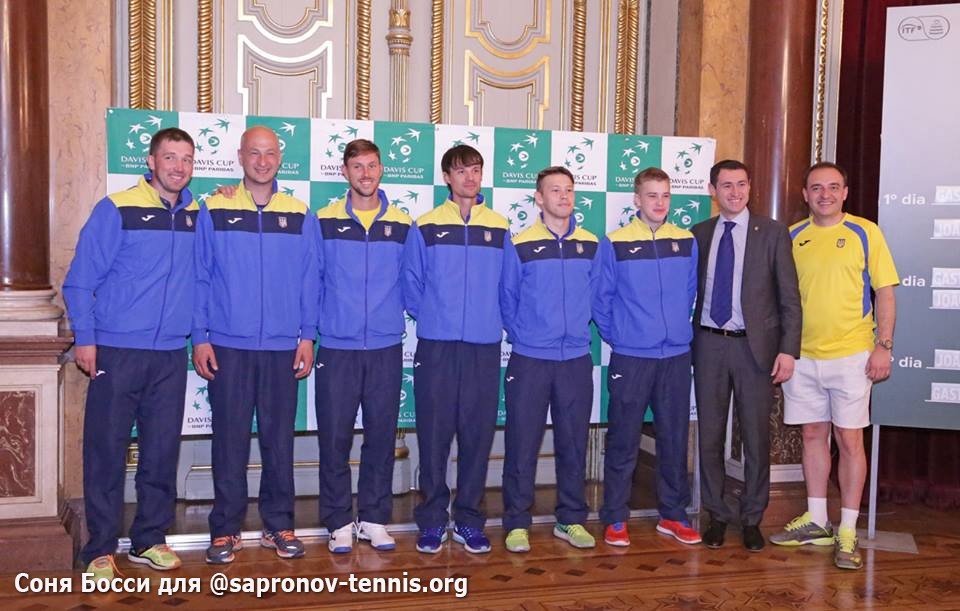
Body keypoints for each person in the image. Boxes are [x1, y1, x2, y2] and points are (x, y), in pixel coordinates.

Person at [64, 127, 199, 580]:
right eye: (170, 157)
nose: (178, 166)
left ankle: (149, 539)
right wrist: (86, 338)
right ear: (151, 161)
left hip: (170, 353)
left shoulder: (198, 215)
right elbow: (80, 281)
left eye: (186, 159)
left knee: (161, 451)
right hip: (117, 350)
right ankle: (100, 548)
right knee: (106, 450)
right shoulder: (116, 208)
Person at [192, 126, 319, 564]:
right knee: (229, 441)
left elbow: (310, 278)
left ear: (279, 158)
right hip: (228, 345)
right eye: (254, 153)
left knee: (278, 441)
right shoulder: (216, 207)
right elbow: (200, 276)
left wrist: (307, 336)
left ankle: (278, 525)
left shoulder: (299, 213)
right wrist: (200, 337)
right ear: (240, 157)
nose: (262, 161)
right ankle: (225, 529)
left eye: (269, 153)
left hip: (283, 347)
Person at [771, 161, 897, 570]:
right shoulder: (792, 236)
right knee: (812, 435)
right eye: (816, 188)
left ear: (845, 193)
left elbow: (885, 292)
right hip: (803, 356)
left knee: (849, 440)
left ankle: (847, 530)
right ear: (805, 194)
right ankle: (817, 520)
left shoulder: (865, 232)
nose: (824, 194)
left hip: (852, 355)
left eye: (832, 187)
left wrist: (883, 346)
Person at [403, 144, 512, 554]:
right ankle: (432, 520)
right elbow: (411, 284)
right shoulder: (427, 225)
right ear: (447, 177)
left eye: (476, 169)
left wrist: (488, 321)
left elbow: (508, 286)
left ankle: (468, 519)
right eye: (462, 170)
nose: (470, 177)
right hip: (437, 346)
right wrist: (437, 317)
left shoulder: (498, 227)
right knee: (433, 436)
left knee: (477, 437)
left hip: (483, 348)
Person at [691, 160, 802, 551]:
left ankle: (752, 517)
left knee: (756, 436)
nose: (735, 192)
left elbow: (790, 297)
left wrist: (788, 350)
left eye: (741, 184)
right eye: (726, 185)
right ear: (713, 191)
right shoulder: (699, 234)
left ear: (750, 187)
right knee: (709, 435)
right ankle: (717, 514)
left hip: (755, 349)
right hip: (709, 344)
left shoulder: (772, 232)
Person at [593, 167, 700, 547]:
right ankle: (615, 518)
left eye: (665, 195)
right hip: (631, 357)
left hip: (675, 357)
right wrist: (623, 337)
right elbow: (601, 300)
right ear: (637, 200)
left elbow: (690, 293)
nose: (659, 202)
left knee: (674, 439)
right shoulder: (615, 243)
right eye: (652, 195)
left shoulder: (685, 241)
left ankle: (673, 515)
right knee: (623, 440)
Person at [314, 139, 412, 554]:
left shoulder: (403, 223)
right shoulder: (322, 220)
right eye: (357, 166)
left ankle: (373, 518)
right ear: (345, 172)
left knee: (381, 436)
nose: (366, 174)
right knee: (334, 438)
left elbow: (411, 281)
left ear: (381, 169)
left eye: (372, 165)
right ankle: (337, 521)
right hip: (337, 347)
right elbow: (312, 280)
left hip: (385, 347)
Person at [499, 166, 599, 553]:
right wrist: (526, 336)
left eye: (569, 190)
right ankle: (517, 522)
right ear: (539, 198)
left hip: (575, 359)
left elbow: (598, 295)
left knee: (573, 444)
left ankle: (571, 519)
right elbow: (507, 298)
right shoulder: (520, 243)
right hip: (530, 359)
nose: (563, 196)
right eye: (555, 190)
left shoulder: (591, 244)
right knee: (522, 443)